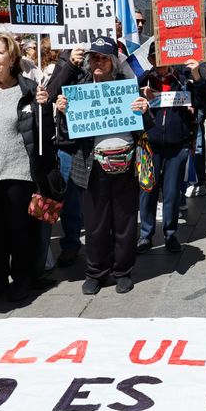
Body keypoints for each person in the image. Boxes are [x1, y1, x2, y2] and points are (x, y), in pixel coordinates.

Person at [0, 33, 58, 303]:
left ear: (12, 58)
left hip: (18, 171)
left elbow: (43, 135)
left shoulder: (29, 90)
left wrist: (44, 107)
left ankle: (22, 278)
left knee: (19, 229)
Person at [55, 37, 151, 295]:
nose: (98, 62)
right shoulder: (78, 87)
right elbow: (65, 137)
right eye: (94, 57)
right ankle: (96, 272)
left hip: (126, 164)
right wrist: (62, 114)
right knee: (95, 224)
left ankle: (123, 271)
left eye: (104, 58)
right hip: (90, 167)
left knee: (125, 221)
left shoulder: (127, 87)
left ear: (113, 62)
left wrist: (145, 110)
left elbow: (146, 127)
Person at [137, 43, 206, 254]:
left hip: (177, 145)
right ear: (150, 60)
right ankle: (145, 234)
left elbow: (204, 100)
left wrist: (197, 75)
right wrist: (139, 96)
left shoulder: (184, 78)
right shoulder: (143, 79)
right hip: (149, 147)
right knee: (148, 190)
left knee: (171, 193)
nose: (160, 63)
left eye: (163, 57)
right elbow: (128, 105)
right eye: (155, 57)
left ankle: (170, 234)